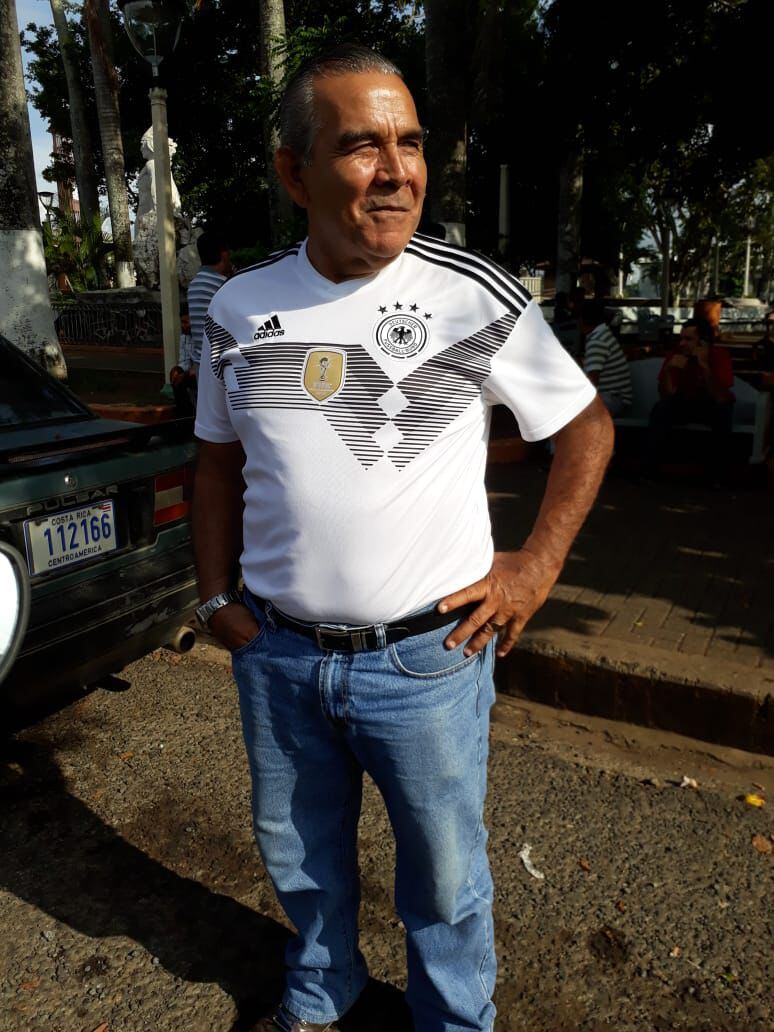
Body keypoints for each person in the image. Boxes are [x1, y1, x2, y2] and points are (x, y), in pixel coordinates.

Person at [192, 44, 613, 1032]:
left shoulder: (471, 292)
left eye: (410, 142)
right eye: (361, 146)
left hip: (427, 659)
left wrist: (536, 566)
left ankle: (454, 1022)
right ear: (295, 172)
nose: (397, 170)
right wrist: (213, 596)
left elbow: (585, 430)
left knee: (446, 877)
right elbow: (214, 460)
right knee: (300, 856)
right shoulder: (239, 307)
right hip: (279, 652)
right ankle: (321, 989)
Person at [644, 317, 735, 478]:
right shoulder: (676, 355)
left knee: (723, 412)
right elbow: (666, 395)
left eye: (688, 339)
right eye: (681, 339)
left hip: (710, 404)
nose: (682, 344)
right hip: (684, 402)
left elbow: (721, 398)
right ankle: (649, 470)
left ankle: (718, 476)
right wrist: (667, 372)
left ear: (703, 342)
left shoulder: (719, 356)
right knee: (661, 408)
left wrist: (705, 367)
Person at [187, 230, 233, 376]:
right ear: (223, 254)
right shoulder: (225, 286)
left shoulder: (194, 285)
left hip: (200, 362)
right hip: (220, 364)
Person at [580, 299, 632, 417]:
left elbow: (592, 380)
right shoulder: (603, 334)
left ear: (582, 320)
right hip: (616, 398)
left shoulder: (597, 341)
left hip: (613, 399)